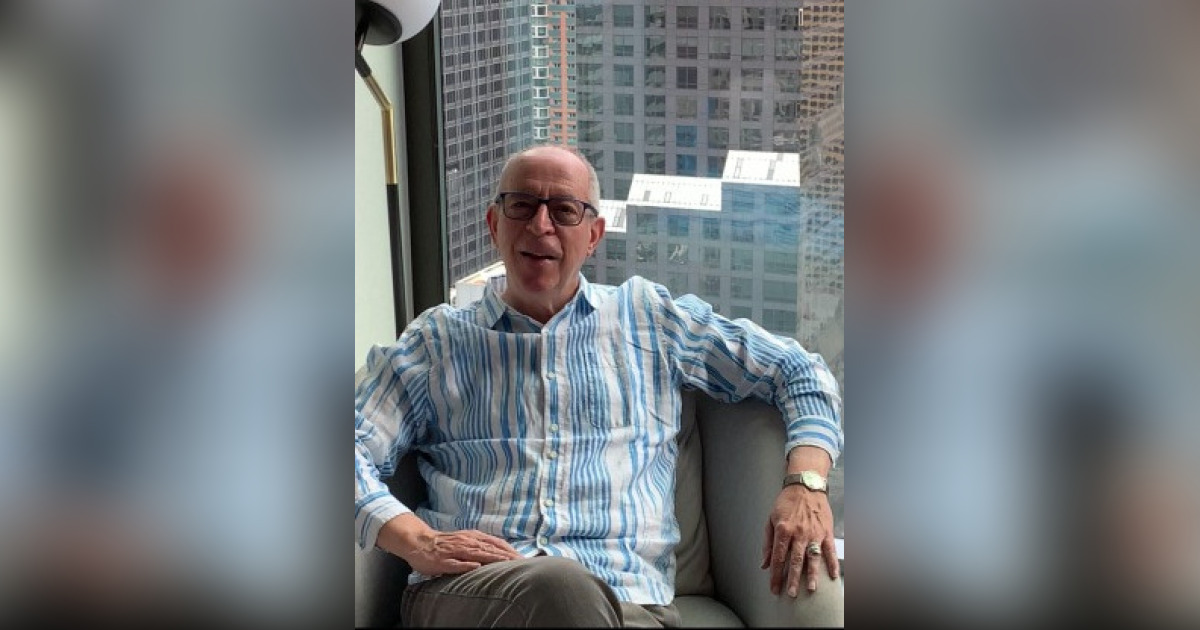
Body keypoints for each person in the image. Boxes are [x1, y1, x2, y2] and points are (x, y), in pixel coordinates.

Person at [354, 145, 843, 627]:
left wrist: (806, 484)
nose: (540, 225)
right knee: (559, 585)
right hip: (471, 597)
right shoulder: (436, 342)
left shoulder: (650, 320)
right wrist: (417, 540)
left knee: (569, 592)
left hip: (630, 606)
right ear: (493, 223)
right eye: (521, 205)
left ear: (593, 235)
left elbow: (797, 369)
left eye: (564, 210)